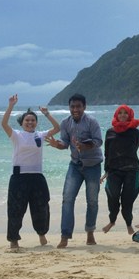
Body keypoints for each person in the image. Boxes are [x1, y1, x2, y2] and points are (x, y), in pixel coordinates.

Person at [0, 94, 60, 250]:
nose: (30, 122)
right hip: (19, 177)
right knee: (15, 209)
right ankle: (13, 240)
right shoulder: (17, 135)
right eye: (27, 120)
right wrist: (11, 105)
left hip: (37, 177)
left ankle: (42, 234)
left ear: (36, 123)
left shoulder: (40, 135)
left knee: (41, 208)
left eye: (33, 120)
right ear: (22, 123)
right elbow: (4, 123)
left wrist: (47, 114)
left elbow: (57, 128)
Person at [45, 93, 103, 248]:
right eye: (72, 106)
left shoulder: (92, 122)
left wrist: (85, 146)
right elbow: (65, 143)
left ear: (84, 107)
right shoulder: (65, 123)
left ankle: (90, 233)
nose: (75, 109)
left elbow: (99, 141)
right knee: (67, 199)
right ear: (69, 108)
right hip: (75, 165)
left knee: (92, 201)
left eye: (78, 106)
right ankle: (65, 236)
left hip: (93, 165)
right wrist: (58, 145)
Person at [101, 105, 139, 235]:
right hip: (114, 170)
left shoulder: (135, 132)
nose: (123, 115)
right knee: (112, 196)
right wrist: (106, 171)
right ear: (116, 115)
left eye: (125, 113)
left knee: (127, 200)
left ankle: (128, 223)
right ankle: (112, 221)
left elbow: (135, 148)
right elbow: (107, 153)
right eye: (120, 113)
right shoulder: (110, 132)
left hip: (131, 169)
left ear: (130, 115)